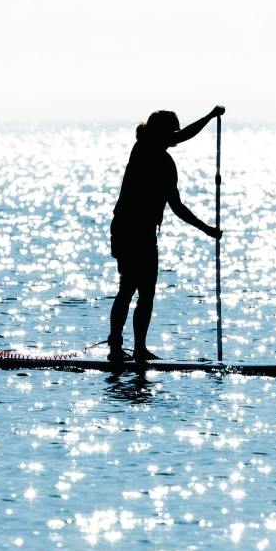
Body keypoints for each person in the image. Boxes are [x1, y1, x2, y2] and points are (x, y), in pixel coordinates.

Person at [107, 106, 223, 363]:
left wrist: (207, 230)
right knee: (127, 288)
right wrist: (209, 116)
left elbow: (177, 206)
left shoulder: (167, 164)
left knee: (147, 292)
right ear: (158, 132)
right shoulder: (142, 149)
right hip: (127, 230)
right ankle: (115, 347)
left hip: (147, 234)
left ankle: (139, 349)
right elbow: (183, 136)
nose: (174, 137)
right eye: (171, 132)